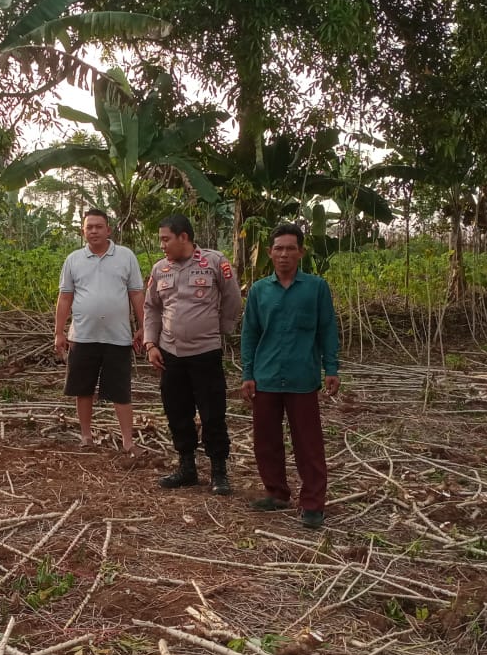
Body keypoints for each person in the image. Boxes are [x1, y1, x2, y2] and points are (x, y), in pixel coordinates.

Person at [240, 223, 340, 528]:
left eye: (291, 248)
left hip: (302, 377)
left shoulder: (316, 288)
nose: (284, 254)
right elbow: (250, 334)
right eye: (279, 249)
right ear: (270, 253)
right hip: (267, 376)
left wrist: (331, 368)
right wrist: (248, 373)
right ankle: (277, 492)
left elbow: (327, 330)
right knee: (266, 440)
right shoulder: (259, 291)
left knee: (308, 443)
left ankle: (313, 504)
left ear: (301, 253)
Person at [143, 214, 243, 495]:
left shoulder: (214, 262)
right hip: (170, 354)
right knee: (177, 411)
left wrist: (219, 331)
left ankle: (219, 472)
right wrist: (151, 344)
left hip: (205, 352)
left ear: (183, 237)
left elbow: (232, 298)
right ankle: (186, 468)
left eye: (166, 239)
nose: (162, 244)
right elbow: (151, 308)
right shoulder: (160, 269)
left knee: (213, 413)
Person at [54, 209, 145, 455]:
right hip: (83, 335)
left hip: (118, 336)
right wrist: (59, 332)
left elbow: (136, 293)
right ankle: (86, 436)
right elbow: (65, 297)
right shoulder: (74, 260)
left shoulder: (125, 256)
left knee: (121, 389)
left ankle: (128, 441)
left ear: (108, 229)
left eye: (98, 226)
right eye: (89, 227)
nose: (93, 231)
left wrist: (144, 327)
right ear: (83, 231)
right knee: (83, 388)